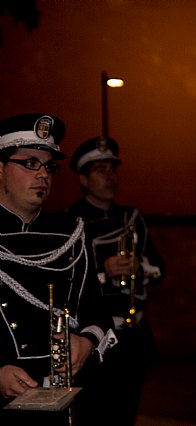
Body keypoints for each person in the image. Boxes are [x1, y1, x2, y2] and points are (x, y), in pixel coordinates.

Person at [0, 113, 117, 425]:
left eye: (49, 166)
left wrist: (87, 341)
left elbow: (97, 309)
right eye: (29, 163)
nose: (43, 174)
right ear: (0, 169)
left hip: (66, 397)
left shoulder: (70, 231)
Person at [64, 135, 165, 426]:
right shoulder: (70, 220)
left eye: (113, 170)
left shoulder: (131, 216)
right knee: (96, 413)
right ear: (83, 179)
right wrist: (103, 271)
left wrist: (140, 266)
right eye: (100, 171)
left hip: (134, 333)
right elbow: (68, 284)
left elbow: (160, 270)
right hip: (96, 338)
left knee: (127, 410)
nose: (111, 178)